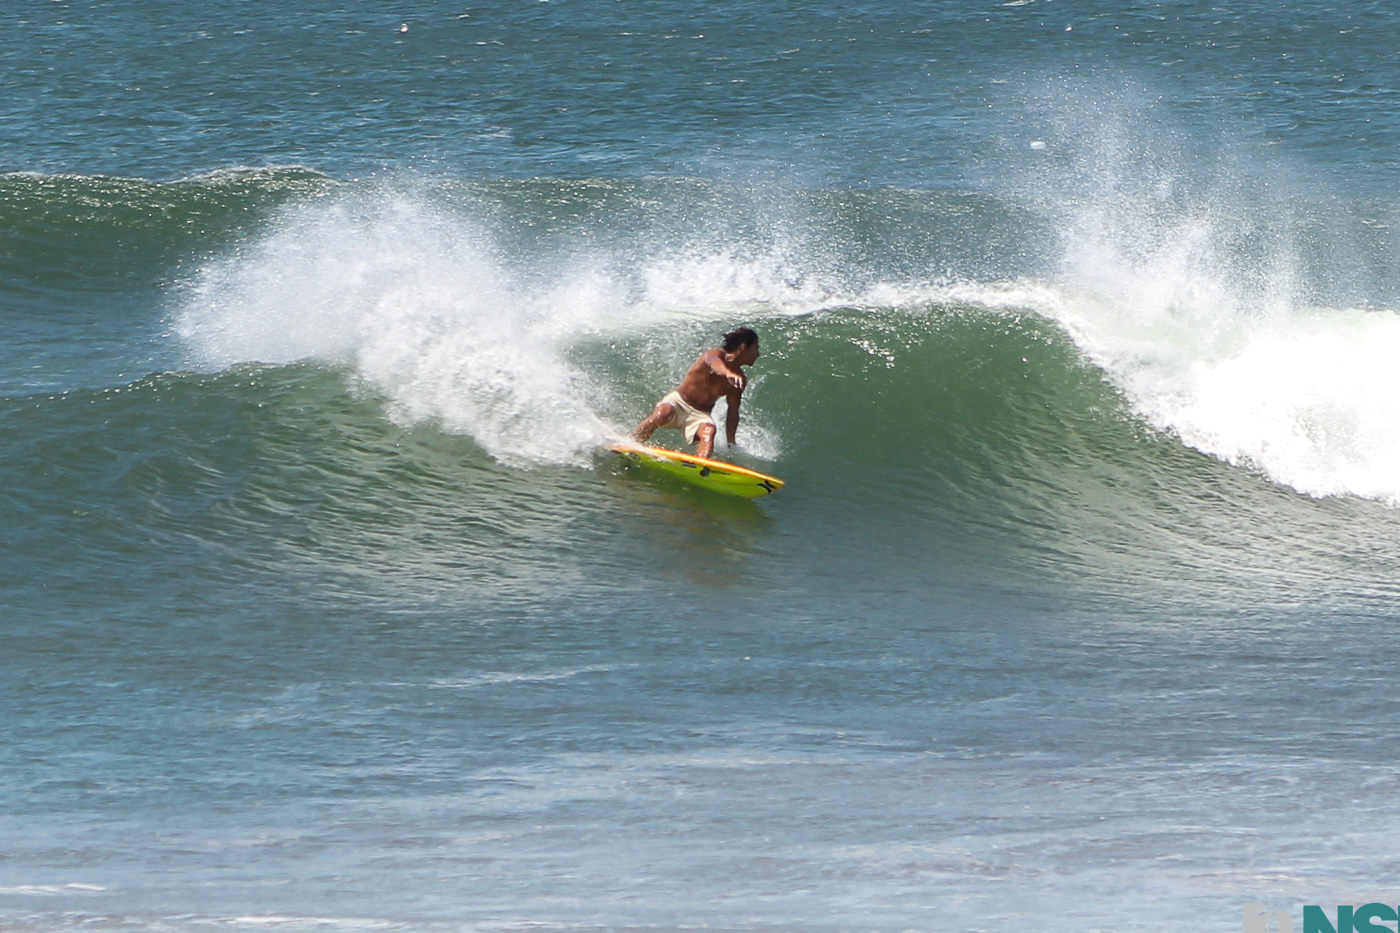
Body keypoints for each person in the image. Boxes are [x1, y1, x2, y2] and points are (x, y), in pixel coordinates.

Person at [632, 328, 760, 460]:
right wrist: (727, 373)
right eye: (756, 348)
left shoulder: (739, 379)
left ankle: (700, 465)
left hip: (700, 415)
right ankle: (632, 443)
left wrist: (731, 443)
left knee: (709, 432)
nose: (758, 354)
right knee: (662, 414)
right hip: (678, 402)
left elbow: (733, 413)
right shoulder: (714, 354)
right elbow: (713, 363)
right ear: (743, 347)